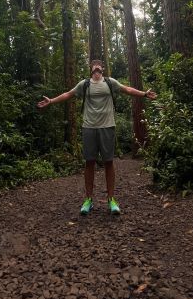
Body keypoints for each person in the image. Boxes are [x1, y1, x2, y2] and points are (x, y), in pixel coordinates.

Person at [37, 59, 157, 216]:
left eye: (99, 64)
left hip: (107, 126)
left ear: (103, 68)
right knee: (89, 163)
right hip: (89, 127)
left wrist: (144, 94)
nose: (96, 66)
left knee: (108, 162)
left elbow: (126, 89)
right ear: (90, 69)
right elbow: (69, 94)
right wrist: (51, 101)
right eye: (94, 64)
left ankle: (111, 199)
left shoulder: (110, 82)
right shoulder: (84, 84)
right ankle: (88, 199)